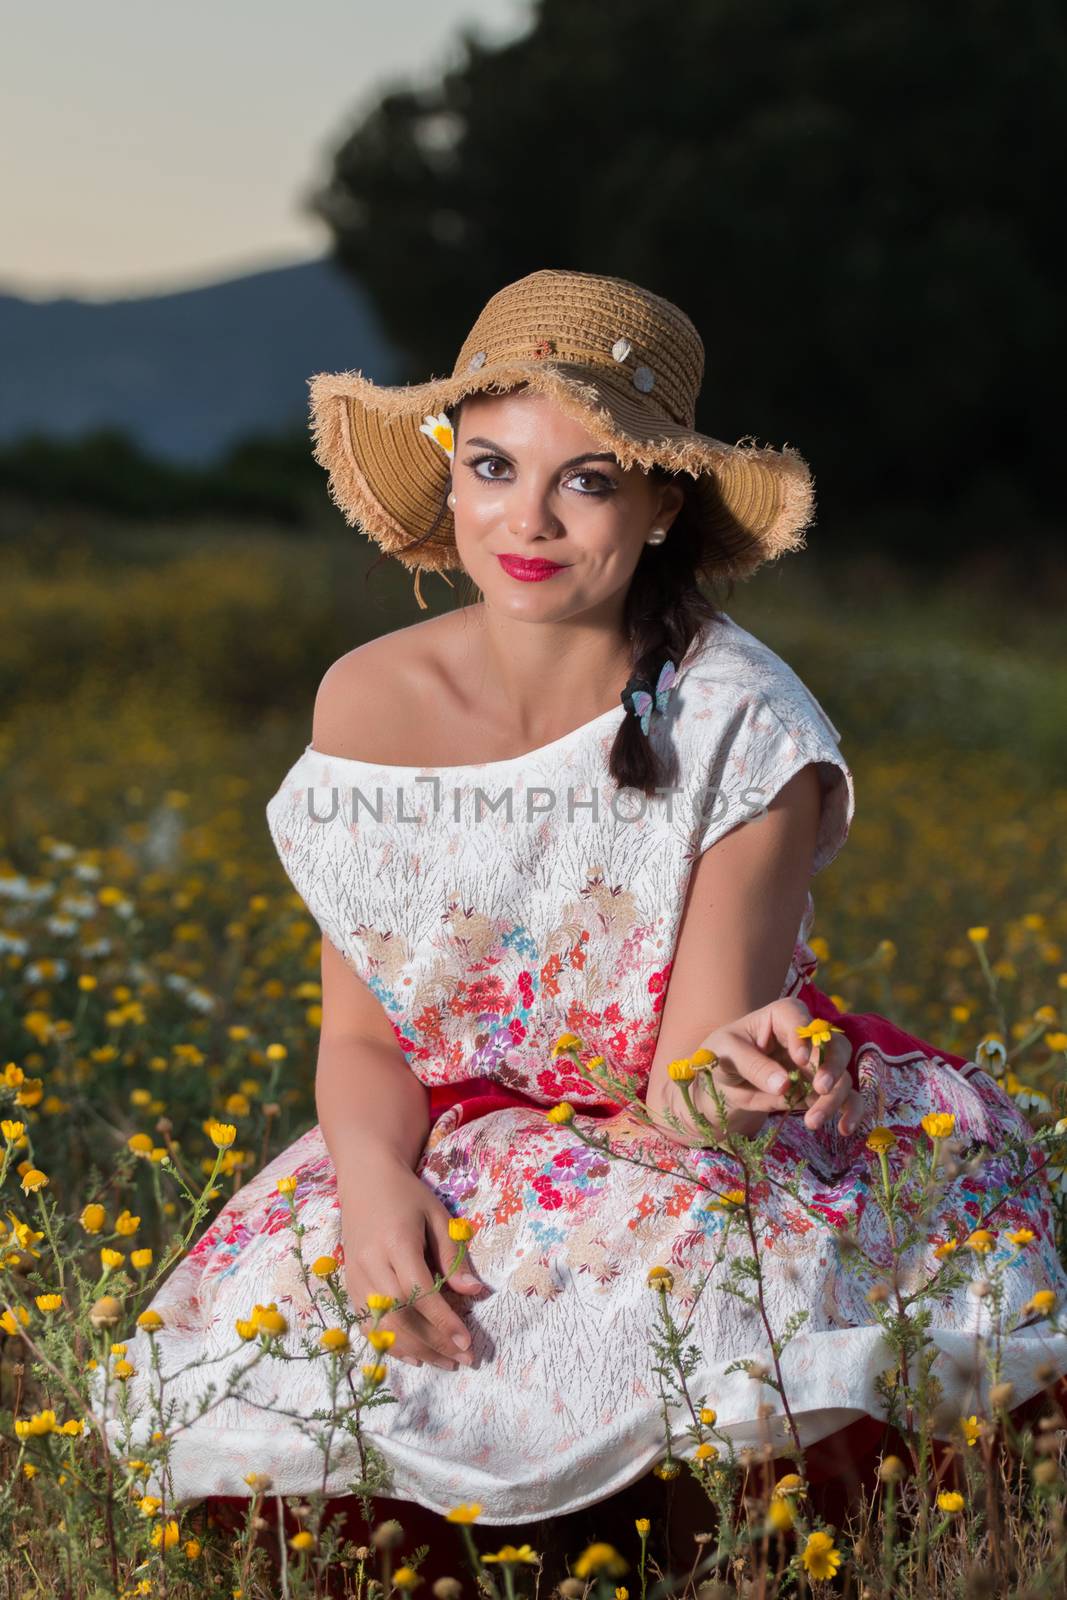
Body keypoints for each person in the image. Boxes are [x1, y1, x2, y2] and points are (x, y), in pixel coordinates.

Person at [88, 269, 1067, 1566]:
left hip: (688, 1134)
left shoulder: (741, 726)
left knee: (656, 1305)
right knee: (331, 1294)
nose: (528, 520)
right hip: (450, 1126)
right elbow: (369, 1040)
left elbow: (682, 1093)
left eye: (588, 480)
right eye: (492, 467)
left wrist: (757, 1076)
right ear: (450, 475)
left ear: (665, 500)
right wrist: (379, 1182)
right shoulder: (366, 709)